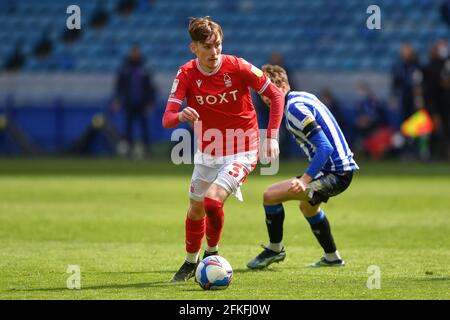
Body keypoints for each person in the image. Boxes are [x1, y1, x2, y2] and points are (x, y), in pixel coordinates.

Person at [162, 17, 284, 282]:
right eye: (207, 47)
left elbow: (275, 94)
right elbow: (167, 118)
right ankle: (190, 262)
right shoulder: (186, 74)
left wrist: (271, 136)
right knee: (195, 209)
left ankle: (211, 254)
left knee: (211, 202)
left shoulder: (238, 66)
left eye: (217, 45)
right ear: (193, 48)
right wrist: (181, 115)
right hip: (208, 152)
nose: (214, 52)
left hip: (244, 149)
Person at [247, 65, 359, 269]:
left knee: (270, 195)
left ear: (281, 87)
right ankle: (333, 258)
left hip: (335, 172)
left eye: (267, 91)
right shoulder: (300, 98)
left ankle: (275, 249)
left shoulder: (293, 109)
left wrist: (304, 180)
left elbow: (325, 148)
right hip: (339, 169)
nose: (265, 98)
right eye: (263, 93)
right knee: (307, 207)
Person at [113, 46, 157, 156]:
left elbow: (150, 87)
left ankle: (147, 150)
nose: (135, 54)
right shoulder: (125, 68)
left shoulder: (145, 67)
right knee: (128, 128)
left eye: (137, 52)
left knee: (144, 128)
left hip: (142, 103)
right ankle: (128, 149)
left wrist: (150, 101)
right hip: (129, 103)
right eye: (133, 52)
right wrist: (118, 100)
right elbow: (119, 86)